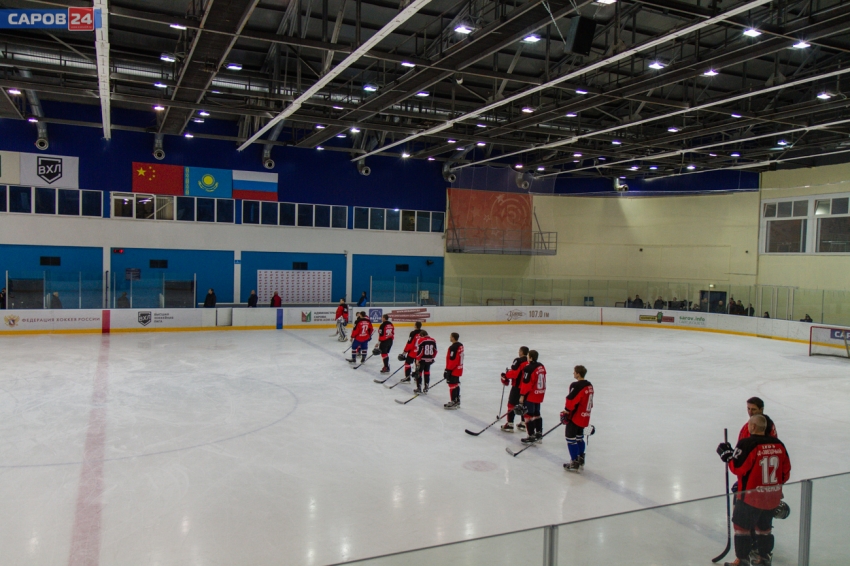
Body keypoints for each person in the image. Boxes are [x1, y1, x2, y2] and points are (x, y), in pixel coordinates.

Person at [717, 414, 791, 566]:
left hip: (750, 498)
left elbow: (737, 468)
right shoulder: (779, 445)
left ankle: (742, 561)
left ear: (753, 427)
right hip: (772, 498)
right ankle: (764, 559)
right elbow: (785, 473)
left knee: (741, 528)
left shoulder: (747, 444)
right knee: (764, 528)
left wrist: (728, 457)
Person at [562, 365, 594, 472]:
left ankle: (574, 461)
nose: (573, 373)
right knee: (579, 438)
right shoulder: (589, 385)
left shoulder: (577, 386)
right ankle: (580, 458)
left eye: (574, 372)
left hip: (575, 417)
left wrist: (566, 411)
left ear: (578, 374)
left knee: (570, 438)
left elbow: (571, 400)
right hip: (585, 416)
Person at [516, 350, 546, 444]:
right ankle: (539, 434)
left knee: (528, 415)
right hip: (540, 393)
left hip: (531, 395)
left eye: (528, 356)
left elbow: (526, 384)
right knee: (537, 414)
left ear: (531, 358)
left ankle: (531, 435)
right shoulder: (541, 366)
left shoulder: (528, 368)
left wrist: (522, 395)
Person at [501, 346, 530, 433]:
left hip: (517, 387)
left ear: (521, 352)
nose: (518, 352)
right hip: (526, 388)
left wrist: (506, 375)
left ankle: (510, 424)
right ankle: (523, 423)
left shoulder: (518, 360)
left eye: (519, 351)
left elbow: (514, 373)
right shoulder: (529, 361)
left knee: (511, 404)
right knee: (523, 405)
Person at [412, 330, 437, 394]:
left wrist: (417, 359)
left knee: (419, 372)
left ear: (422, 335)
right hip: (429, 359)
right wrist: (432, 357)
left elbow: (420, 351)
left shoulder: (421, 340)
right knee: (427, 372)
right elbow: (435, 350)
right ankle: (426, 387)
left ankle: (419, 388)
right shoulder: (433, 340)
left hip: (422, 359)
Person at [443, 332, 464, 409]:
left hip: (453, 370)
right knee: (456, 384)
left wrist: (448, 370)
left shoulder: (453, 348)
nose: (450, 338)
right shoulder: (460, 345)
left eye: (450, 337)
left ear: (453, 338)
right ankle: (457, 401)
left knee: (452, 385)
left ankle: (453, 402)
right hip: (459, 368)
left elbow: (453, 360)